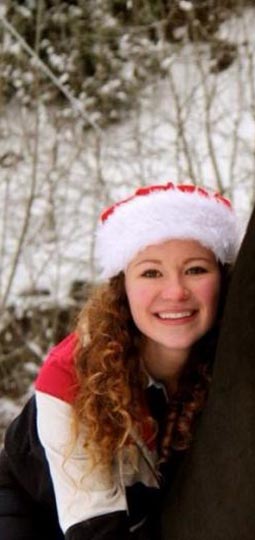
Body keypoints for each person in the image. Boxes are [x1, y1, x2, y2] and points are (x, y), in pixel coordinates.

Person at [0, 183, 238, 540]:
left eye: (195, 270)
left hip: (146, 518)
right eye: (151, 273)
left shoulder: (240, 363)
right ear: (122, 286)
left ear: (223, 278)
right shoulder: (73, 375)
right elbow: (96, 532)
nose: (176, 291)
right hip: (33, 510)